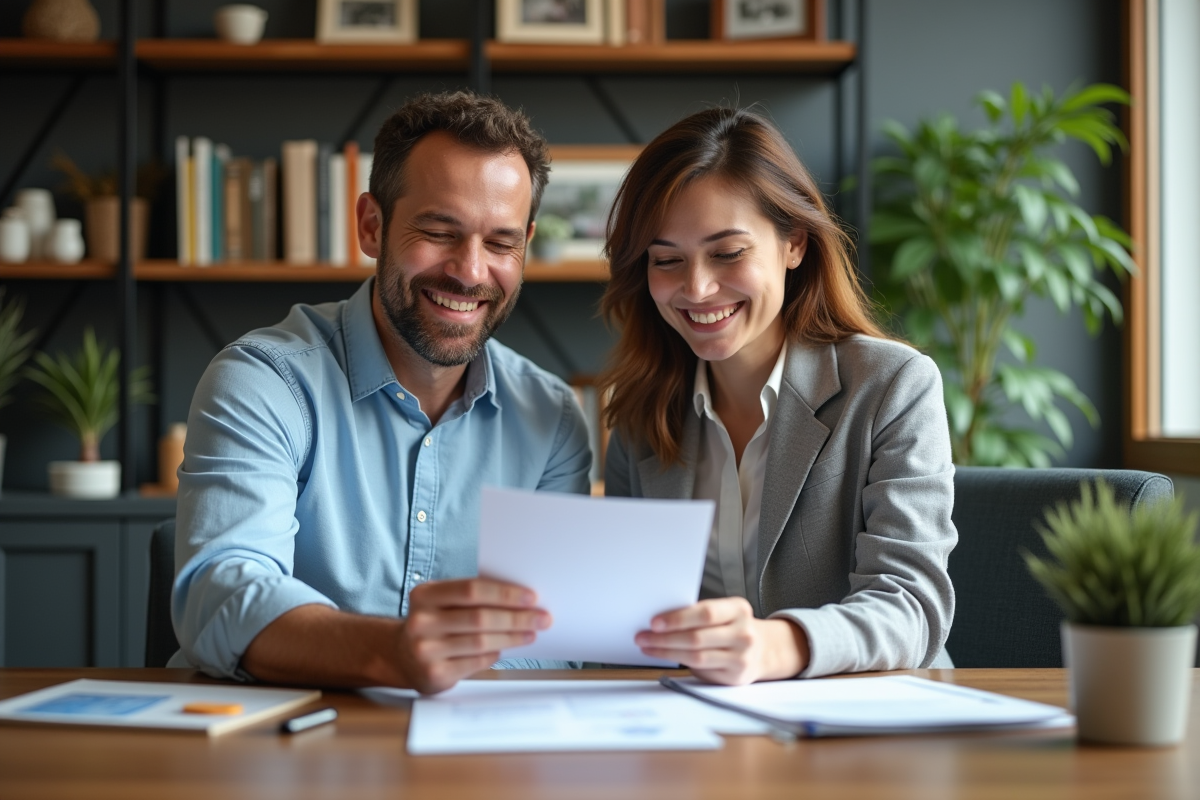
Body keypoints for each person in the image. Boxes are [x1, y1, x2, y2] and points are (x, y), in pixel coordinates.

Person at [170, 92, 592, 693]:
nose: (471, 272)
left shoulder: (551, 419)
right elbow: (221, 596)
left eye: (500, 244)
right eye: (440, 232)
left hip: (477, 759)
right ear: (373, 225)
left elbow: (555, 640)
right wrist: (393, 654)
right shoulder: (264, 381)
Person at [600, 107, 957, 685]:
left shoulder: (894, 386)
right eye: (667, 260)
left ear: (794, 243)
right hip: (699, 733)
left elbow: (911, 606)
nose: (696, 288)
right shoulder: (643, 414)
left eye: (728, 252)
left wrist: (776, 646)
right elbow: (625, 625)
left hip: (868, 727)